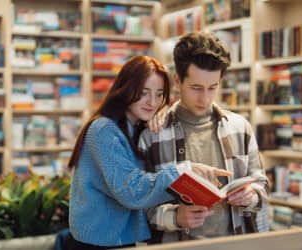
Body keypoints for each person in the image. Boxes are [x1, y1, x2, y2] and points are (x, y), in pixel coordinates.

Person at [67, 55, 231, 249]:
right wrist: (183, 170)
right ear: (126, 88)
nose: (152, 102)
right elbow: (131, 191)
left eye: (159, 94)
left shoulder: (136, 128)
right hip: (96, 242)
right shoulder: (103, 130)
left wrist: (163, 113)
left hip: (121, 239)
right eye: (144, 92)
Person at [138, 31, 270, 243]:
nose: (205, 98)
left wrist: (252, 196)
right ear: (178, 81)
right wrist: (175, 216)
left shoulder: (240, 128)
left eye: (213, 87)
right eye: (196, 88)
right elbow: (140, 207)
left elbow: (262, 185)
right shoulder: (152, 135)